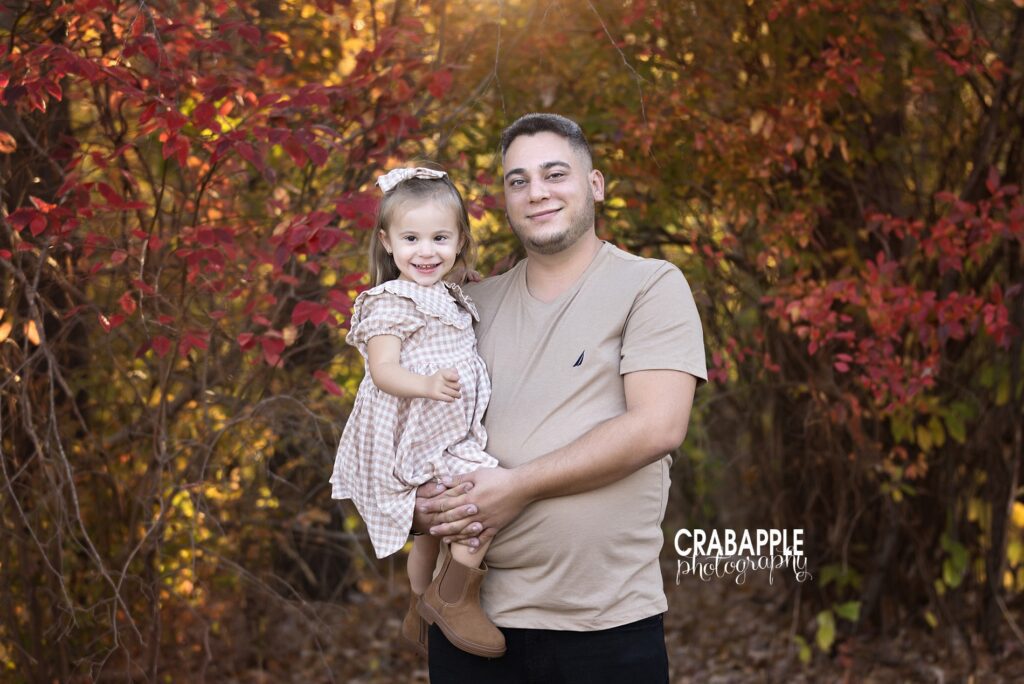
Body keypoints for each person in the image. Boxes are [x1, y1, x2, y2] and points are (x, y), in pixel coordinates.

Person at [411, 113, 708, 682]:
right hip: (470, 625)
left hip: (604, 628)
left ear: (595, 185)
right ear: (505, 201)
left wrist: (516, 488)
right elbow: (410, 428)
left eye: (554, 174)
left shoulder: (650, 285)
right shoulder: (469, 306)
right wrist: (417, 510)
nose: (537, 192)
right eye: (518, 181)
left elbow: (659, 426)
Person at [329, 167, 506, 659]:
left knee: (428, 535)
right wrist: (426, 385)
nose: (426, 252)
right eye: (411, 239)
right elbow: (383, 370)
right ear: (387, 242)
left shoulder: (449, 294)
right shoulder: (388, 303)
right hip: (417, 436)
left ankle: (418, 602)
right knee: (475, 506)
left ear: (460, 240)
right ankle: (453, 597)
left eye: (439, 238)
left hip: (447, 432)